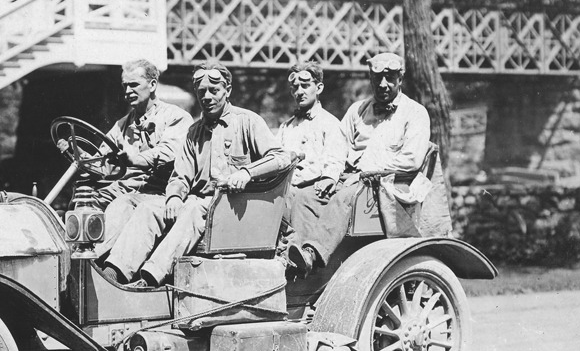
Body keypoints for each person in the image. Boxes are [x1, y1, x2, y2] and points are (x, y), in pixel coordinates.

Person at [99, 62, 293, 287]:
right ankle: (114, 273)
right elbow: (180, 176)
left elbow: (281, 157)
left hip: (235, 204)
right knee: (148, 208)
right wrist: (174, 196)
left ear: (228, 91)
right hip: (198, 203)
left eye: (214, 90)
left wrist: (247, 172)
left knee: (194, 209)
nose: (207, 97)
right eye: (202, 92)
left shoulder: (247, 121)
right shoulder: (194, 132)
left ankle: (150, 278)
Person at [287, 52, 431, 274]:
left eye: (389, 78)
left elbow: (411, 159)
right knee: (306, 196)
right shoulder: (357, 110)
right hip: (350, 179)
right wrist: (330, 176)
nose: (383, 84)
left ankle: (312, 252)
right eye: (377, 78)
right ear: (371, 80)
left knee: (345, 196)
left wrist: (366, 174)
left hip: (389, 184)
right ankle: (299, 261)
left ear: (400, 79)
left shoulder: (415, 113)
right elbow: (338, 148)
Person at [58, 59, 193, 255]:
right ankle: (70, 254)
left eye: (134, 85)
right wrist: (78, 155)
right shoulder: (122, 124)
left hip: (157, 191)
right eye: (125, 86)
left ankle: (94, 260)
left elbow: (169, 151)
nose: (128, 91)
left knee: (121, 204)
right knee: (84, 201)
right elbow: (102, 165)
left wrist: (134, 159)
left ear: (152, 84)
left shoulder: (175, 117)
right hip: (121, 189)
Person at [276, 61, 347, 265]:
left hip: (316, 188)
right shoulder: (286, 127)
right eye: (295, 87)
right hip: (288, 186)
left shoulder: (330, 123)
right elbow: (275, 156)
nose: (299, 91)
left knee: (301, 199)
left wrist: (329, 177)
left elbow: (336, 158)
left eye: (305, 86)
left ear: (319, 88)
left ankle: (300, 259)